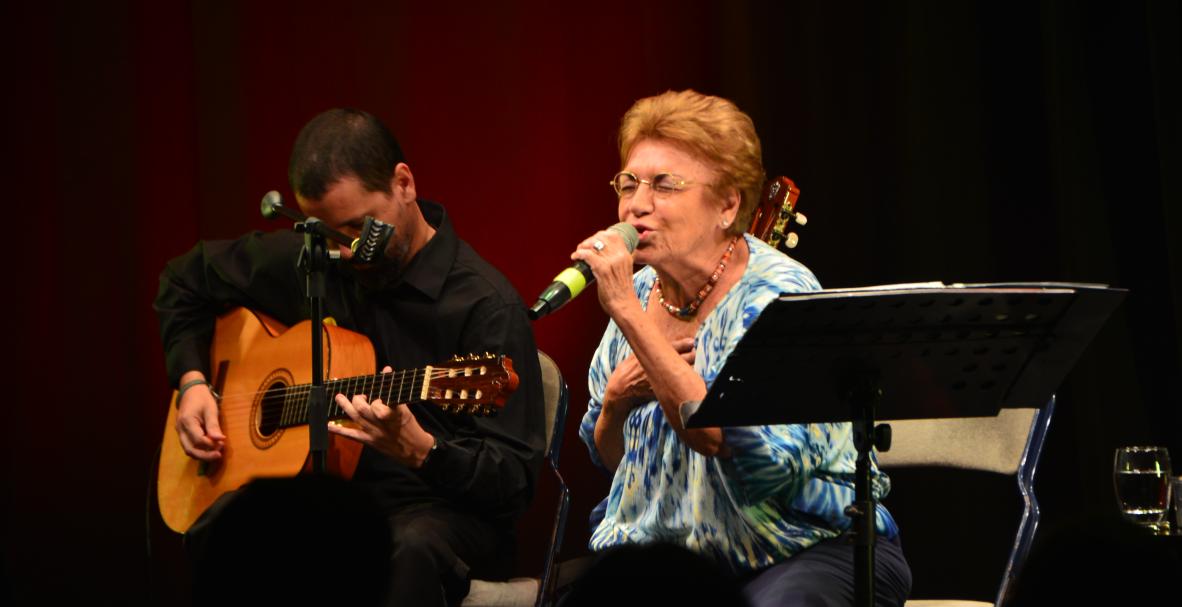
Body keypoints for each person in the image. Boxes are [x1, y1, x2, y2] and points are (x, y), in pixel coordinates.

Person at [154, 108, 545, 606]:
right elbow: (184, 280)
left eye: (363, 226)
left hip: (436, 511)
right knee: (224, 527)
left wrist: (424, 451)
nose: (352, 250)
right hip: (324, 498)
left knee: (401, 552)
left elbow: (512, 482)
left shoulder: (484, 305)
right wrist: (192, 384)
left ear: (404, 183)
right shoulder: (323, 260)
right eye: (333, 234)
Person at [572, 90, 912, 606]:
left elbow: (729, 447)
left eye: (664, 185)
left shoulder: (777, 293)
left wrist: (623, 309)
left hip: (798, 548)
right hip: (678, 562)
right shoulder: (642, 290)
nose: (636, 204)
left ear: (727, 205)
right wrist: (614, 407)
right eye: (630, 183)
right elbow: (618, 463)